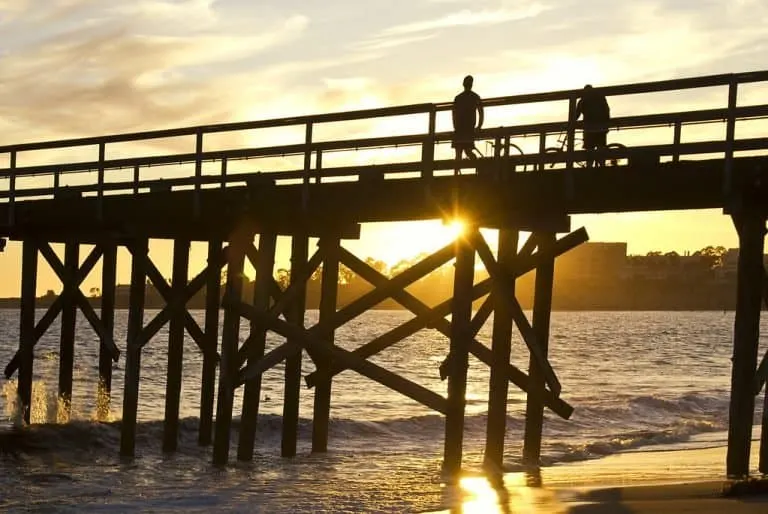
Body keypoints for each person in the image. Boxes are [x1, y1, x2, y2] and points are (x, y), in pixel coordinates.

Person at [452, 75, 484, 174]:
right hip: (469, 129)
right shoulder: (475, 97)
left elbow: (453, 113)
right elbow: (481, 112)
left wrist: (455, 126)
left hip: (459, 129)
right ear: (471, 85)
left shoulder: (458, 98)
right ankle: (478, 169)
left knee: (458, 154)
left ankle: (456, 175)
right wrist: (479, 126)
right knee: (468, 151)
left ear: (463, 84)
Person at [575, 84, 610, 168]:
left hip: (589, 128)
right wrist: (607, 124)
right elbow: (607, 110)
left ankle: (589, 168)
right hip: (601, 127)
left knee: (589, 149)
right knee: (601, 148)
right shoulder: (601, 98)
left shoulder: (582, 100)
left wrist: (570, 123)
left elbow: (576, 114)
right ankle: (602, 167)